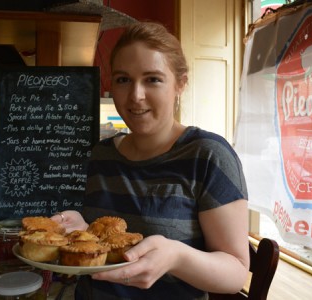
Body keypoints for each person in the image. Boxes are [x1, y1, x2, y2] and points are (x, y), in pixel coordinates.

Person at [51, 21, 249, 300]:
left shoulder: (207, 155)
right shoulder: (101, 155)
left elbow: (236, 272)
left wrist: (177, 257)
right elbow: (109, 244)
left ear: (180, 84)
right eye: (123, 80)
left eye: (153, 79)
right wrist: (83, 231)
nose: (136, 96)